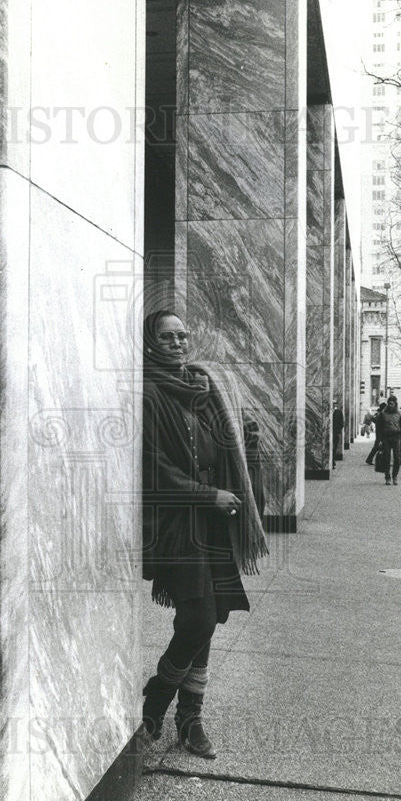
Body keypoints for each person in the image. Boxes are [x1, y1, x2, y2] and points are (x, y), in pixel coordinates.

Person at [141, 310, 268, 759]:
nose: (178, 343)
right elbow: (155, 469)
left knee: (211, 616)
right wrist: (206, 494)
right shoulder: (151, 394)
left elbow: (221, 446)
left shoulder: (203, 387)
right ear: (151, 342)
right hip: (179, 523)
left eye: (183, 335)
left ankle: (190, 718)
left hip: (215, 522)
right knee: (199, 618)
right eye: (167, 336)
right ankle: (157, 697)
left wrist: (245, 443)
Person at [377, 394, 401, 485]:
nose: (390, 405)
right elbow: (379, 426)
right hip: (386, 437)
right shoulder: (383, 413)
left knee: (397, 458)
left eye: (392, 404)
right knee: (386, 458)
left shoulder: (400, 413)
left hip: (396, 437)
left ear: (395, 404)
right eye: (389, 403)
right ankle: (387, 477)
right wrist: (380, 439)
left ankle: (395, 476)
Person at [332, 400, 344, 468]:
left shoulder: (339, 412)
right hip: (328, 433)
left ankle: (332, 461)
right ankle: (332, 462)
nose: (333, 405)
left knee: (334, 448)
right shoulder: (327, 411)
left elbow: (341, 423)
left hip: (335, 433)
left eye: (334, 404)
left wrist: (337, 431)